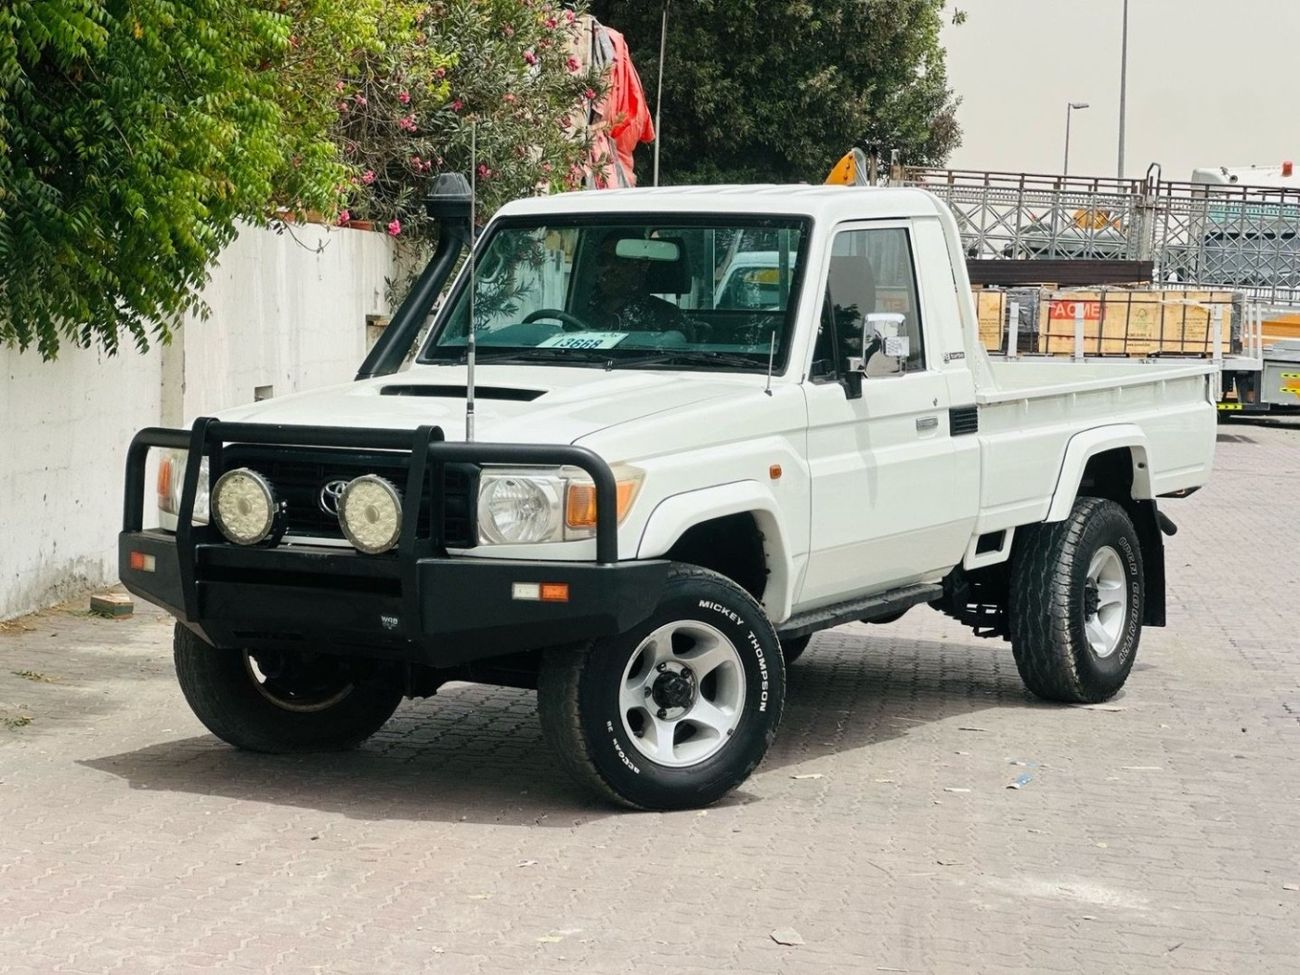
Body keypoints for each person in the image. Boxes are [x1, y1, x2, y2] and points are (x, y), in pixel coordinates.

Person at [585, 235, 687, 332]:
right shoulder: (580, 309)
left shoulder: (667, 316)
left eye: (621, 260)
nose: (610, 267)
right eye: (604, 260)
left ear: (644, 265)